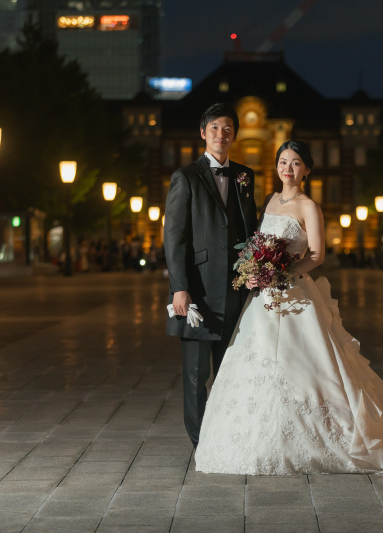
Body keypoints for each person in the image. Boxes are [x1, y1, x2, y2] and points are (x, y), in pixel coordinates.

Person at [195, 140, 383, 474]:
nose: (288, 168)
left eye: (296, 163)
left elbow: (316, 255)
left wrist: (278, 272)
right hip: (263, 300)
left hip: (294, 294)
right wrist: (255, 272)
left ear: (307, 169)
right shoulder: (270, 201)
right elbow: (257, 245)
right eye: (283, 161)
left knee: (306, 366)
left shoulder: (309, 206)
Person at [164, 103, 258, 449]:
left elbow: (250, 230)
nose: (222, 135)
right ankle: (201, 443)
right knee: (196, 374)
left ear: (235, 135)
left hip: (235, 291)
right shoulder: (185, 177)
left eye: (228, 129)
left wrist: (257, 270)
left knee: (231, 369)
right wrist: (180, 288)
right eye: (215, 128)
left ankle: (228, 437)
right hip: (198, 292)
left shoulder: (245, 177)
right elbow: (173, 237)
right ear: (203, 133)